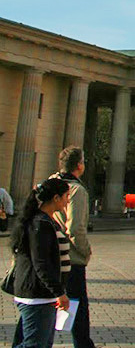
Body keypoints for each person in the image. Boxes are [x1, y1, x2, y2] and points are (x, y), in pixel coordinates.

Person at [7, 177, 72, 348]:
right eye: (66, 196)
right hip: (37, 295)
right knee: (35, 344)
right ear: (56, 198)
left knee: (38, 343)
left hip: (43, 295)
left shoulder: (45, 220)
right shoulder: (40, 223)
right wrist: (59, 293)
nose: (67, 201)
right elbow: (41, 262)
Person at [50, 146, 97, 348]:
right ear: (79, 165)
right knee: (77, 308)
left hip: (49, 253)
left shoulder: (50, 183)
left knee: (50, 305)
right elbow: (75, 228)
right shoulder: (76, 190)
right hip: (70, 258)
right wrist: (86, 251)